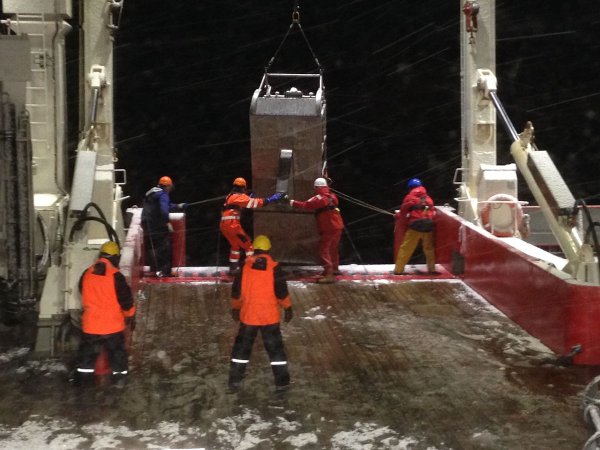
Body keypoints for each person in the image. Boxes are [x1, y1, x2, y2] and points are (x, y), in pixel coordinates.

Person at [228, 235, 293, 392]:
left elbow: (236, 292)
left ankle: (235, 380)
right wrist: (288, 308)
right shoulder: (275, 268)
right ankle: (282, 382)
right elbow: (281, 292)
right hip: (269, 318)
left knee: (241, 351)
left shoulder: (244, 268)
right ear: (269, 249)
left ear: (254, 249)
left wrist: (236, 308)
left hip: (249, 316)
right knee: (276, 352)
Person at [74, 241, 136, 386]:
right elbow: (126, 301)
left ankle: (83, 386)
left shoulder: (87, 273)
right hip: (112, 328)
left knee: (86, 361)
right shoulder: (116, 276)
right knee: (118, 358)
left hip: (90, 327)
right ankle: (120, 383)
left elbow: (82, 291)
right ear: (115, 257)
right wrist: (130, 316)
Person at [220, 177, 283, 274]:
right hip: (233, 226)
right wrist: (270, 199)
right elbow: (255, 203)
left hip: (225, 226)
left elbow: (240, 206)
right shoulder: (238, 196)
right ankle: (250, 268)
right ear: (243, 187)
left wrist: (249, 199)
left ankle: (233, 269)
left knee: (235, 246)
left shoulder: (230, 196)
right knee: (248, 245)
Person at [289, 177, 344, 283]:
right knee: (333, 248)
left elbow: (306, 205)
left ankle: (329, 273)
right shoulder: (332, 196)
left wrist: (292, 202)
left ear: (317, 187)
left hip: (329, 227)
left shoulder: (319, 198)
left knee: (324, 249)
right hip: (338, 226)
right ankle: (334, 269)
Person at [141, 176, 187, 277]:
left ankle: (154, 270)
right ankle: (165, 272)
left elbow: (161, 206)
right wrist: (167, 223)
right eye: (170, 188)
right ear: (167, 186)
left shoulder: (152, 192)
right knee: (165, 247)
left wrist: (178, 206)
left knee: (151, 247)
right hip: (156, 225)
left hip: (147, 224)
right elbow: (163, 209)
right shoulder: (163, 194)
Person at [394, 178, 438, 275]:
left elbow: (403, 212)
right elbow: (433, 212)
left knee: (406, 248)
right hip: (428, 226)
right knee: (429, 249)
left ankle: (398, 270)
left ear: (410, 188)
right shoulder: (428, 199)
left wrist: (397, 216)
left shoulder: (409, 198)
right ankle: (432, 269)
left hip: (415, 226)